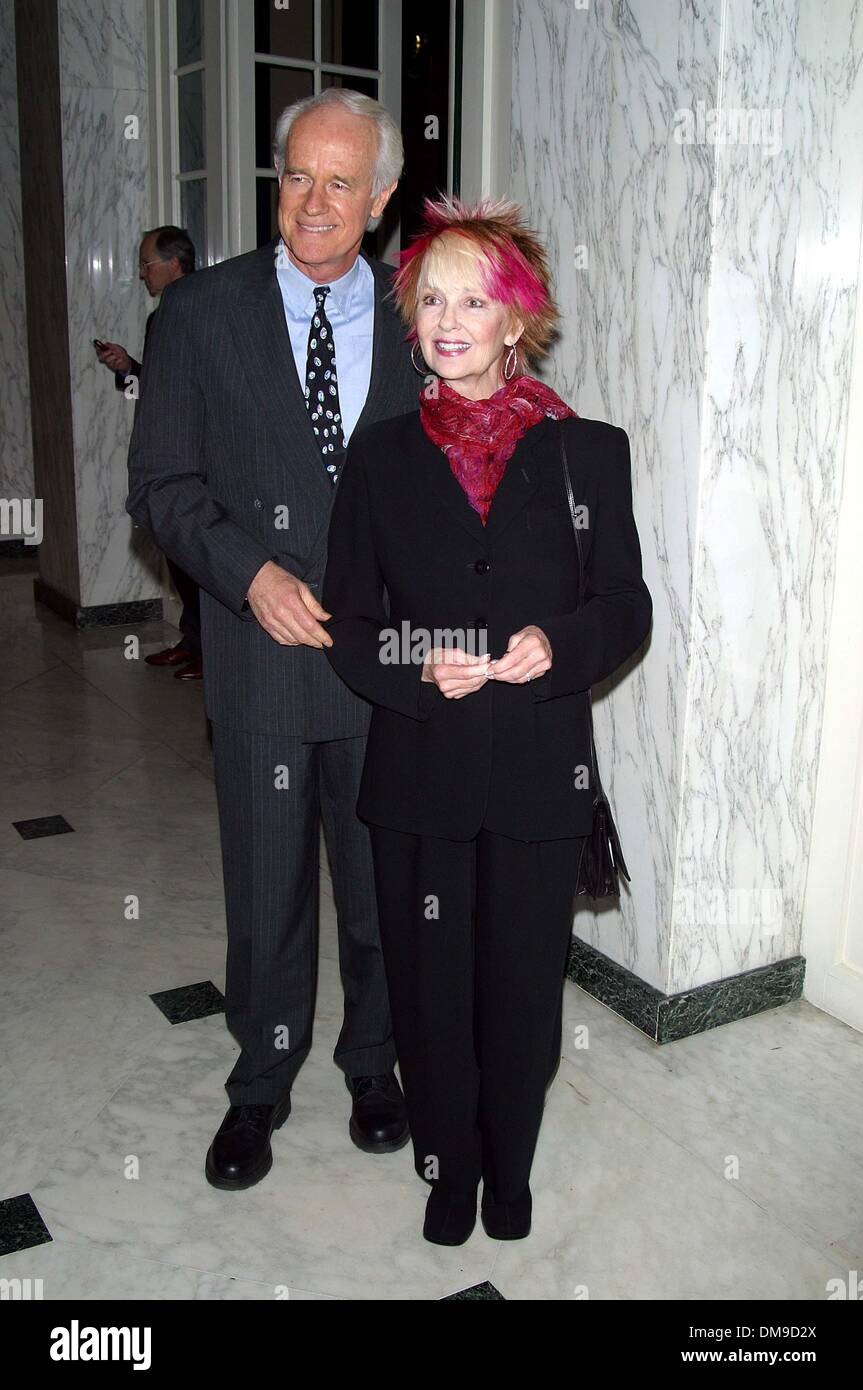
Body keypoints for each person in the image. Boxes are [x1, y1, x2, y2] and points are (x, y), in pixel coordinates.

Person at [322, 196, 652, 1244]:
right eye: (430, 298)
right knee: (427, 991)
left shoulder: (585, 454)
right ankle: (446, 1167)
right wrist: (424, 666)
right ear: (411, 317)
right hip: (416, 775)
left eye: (474, 298)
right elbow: (351, 623)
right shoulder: (376, 460)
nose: (449, 316)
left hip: (533, 777)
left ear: (517, 320)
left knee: (517, 991)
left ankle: (507, 1168)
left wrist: (558, 648)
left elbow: (623, 605)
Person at [126, 90, 421, 1191]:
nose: (312, 202)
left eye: (340, 182)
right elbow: (158, 484)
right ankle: (261, 1080)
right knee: (265, 887)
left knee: (383, 878)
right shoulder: (199, 314)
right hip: (258, 657)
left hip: (382, 662)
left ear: (379, 198)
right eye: (296, 175)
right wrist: (247, 577)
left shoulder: (415, 318)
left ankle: (376, 1064)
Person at [98, 227, 203, 680]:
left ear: (174, 263)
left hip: (200, 458)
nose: (142, 273)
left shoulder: (204, 310)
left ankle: (209, 651)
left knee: (200, 558)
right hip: (168, 455)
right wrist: (129, 370)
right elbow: (161, 389)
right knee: (180, 559)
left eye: (147, 264)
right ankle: (194, 640)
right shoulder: (158, 318)